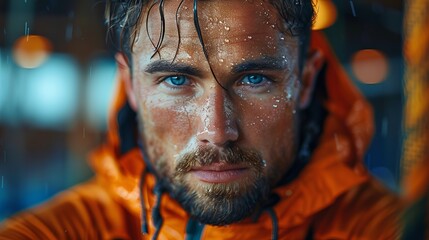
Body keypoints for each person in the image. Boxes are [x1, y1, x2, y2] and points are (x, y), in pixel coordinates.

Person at [0, 0, 401, 239]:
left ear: (307, 80)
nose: (217, 131)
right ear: (131, 85)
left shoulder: (379, 228)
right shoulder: (68, 231)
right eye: (177, 79)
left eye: (254, 79)